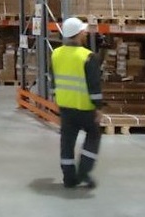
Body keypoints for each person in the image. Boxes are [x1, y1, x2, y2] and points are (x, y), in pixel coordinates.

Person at [51, 17, 104, 189]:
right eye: (83, 31)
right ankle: (84, 171)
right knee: (94, 135)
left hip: (65, 107)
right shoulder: (87, 56)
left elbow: (53, 79)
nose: (85, 33)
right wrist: (98, 107)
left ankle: (68, 177)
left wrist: (56, 98)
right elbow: (94, 85)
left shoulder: (56, 54)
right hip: (85, 107)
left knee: (67, 142)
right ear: (79, 34)